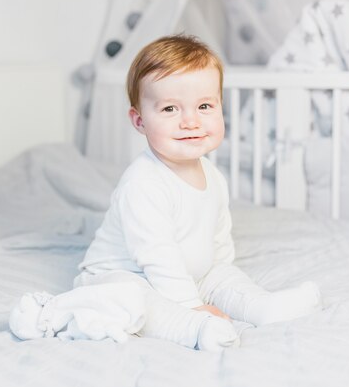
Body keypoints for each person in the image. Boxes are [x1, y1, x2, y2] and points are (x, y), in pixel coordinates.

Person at [74, 34, 322, 351]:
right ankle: (192, 328)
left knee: (225, 277)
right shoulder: (143, 183)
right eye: (169, 109)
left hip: (188, 272)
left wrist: (219, 276)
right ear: (139, 121)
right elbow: (157, 255)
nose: (191, 121)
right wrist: (191, 305)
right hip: (124, 275)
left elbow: (218, 237)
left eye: (204, 106)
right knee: (136, 300)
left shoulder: (213, 176)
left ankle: (264, 308)